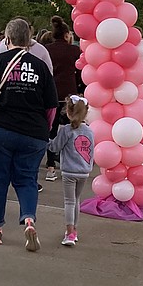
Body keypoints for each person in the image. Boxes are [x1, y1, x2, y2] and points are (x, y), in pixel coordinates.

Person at [0, 18, 58, 252]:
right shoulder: (40, 66)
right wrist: (46, 130)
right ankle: (29, 219)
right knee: (27, 179)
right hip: (33, 132)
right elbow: (51, 106)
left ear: (7, 39)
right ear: (29, 41)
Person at [47, 95, 94, 247]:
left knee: (69, 201)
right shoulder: (89, 131)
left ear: (68, 111)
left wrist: (45, 140)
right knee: (76, 200)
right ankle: (74, 230)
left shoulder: (66, 130)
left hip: (69, 171)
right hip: (84, 171)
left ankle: (69, 232)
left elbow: (54, 147)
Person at [44, 16, 81, 181]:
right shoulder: (74, 51)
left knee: (51, 131)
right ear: (66, 35)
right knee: (72, 129)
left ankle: (50, 166)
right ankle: (70, 163)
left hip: (51, 93)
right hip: (69, 94)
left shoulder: (47, 50)